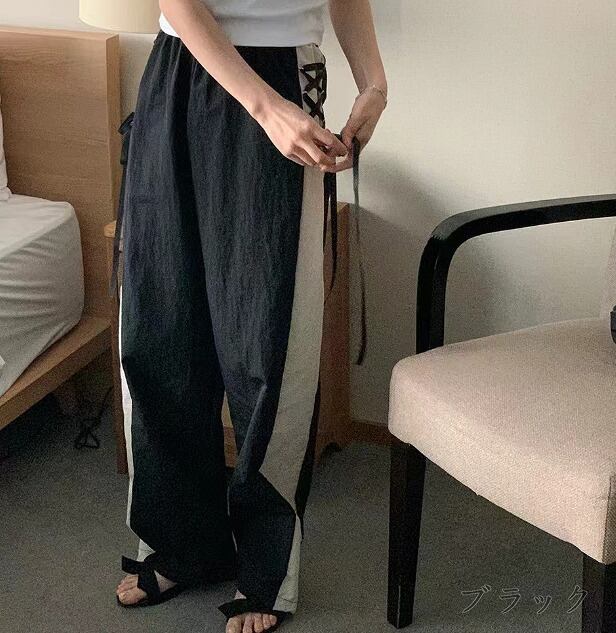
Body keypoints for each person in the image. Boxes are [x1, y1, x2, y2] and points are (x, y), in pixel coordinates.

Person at [113, 1, 387, 631]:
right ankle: (182, 546)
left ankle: (266, 568)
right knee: (160, 328)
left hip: (287, 70)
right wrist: (264, 108)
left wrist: (373, 83)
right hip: (182, 67)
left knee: (270, 339)